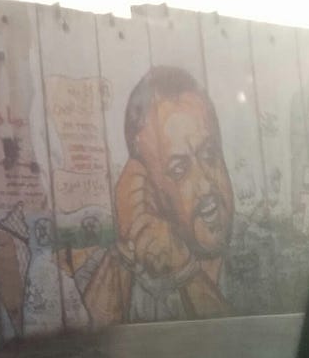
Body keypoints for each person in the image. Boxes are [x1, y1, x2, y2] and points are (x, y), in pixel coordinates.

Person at [80, 66, 236, 324]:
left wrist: (186, 272)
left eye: (209, 155)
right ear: (149, 188)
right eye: (179, 169)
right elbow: (88, 350)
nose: (206, 185)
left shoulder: (269, 251)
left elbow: (238, 348)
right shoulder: (130, 272)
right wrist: (126, 246)